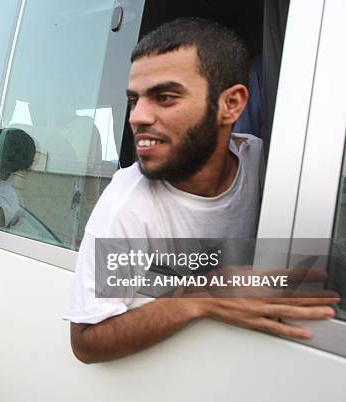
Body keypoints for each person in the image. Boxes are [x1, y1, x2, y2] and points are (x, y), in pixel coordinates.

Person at [65, 18, 339, 364]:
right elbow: (86, 340)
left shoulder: (266, 164)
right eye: (134, 100)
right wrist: (200, 295)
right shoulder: (128, 204)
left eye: (164, 97)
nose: (137, 117)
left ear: (232, 105)